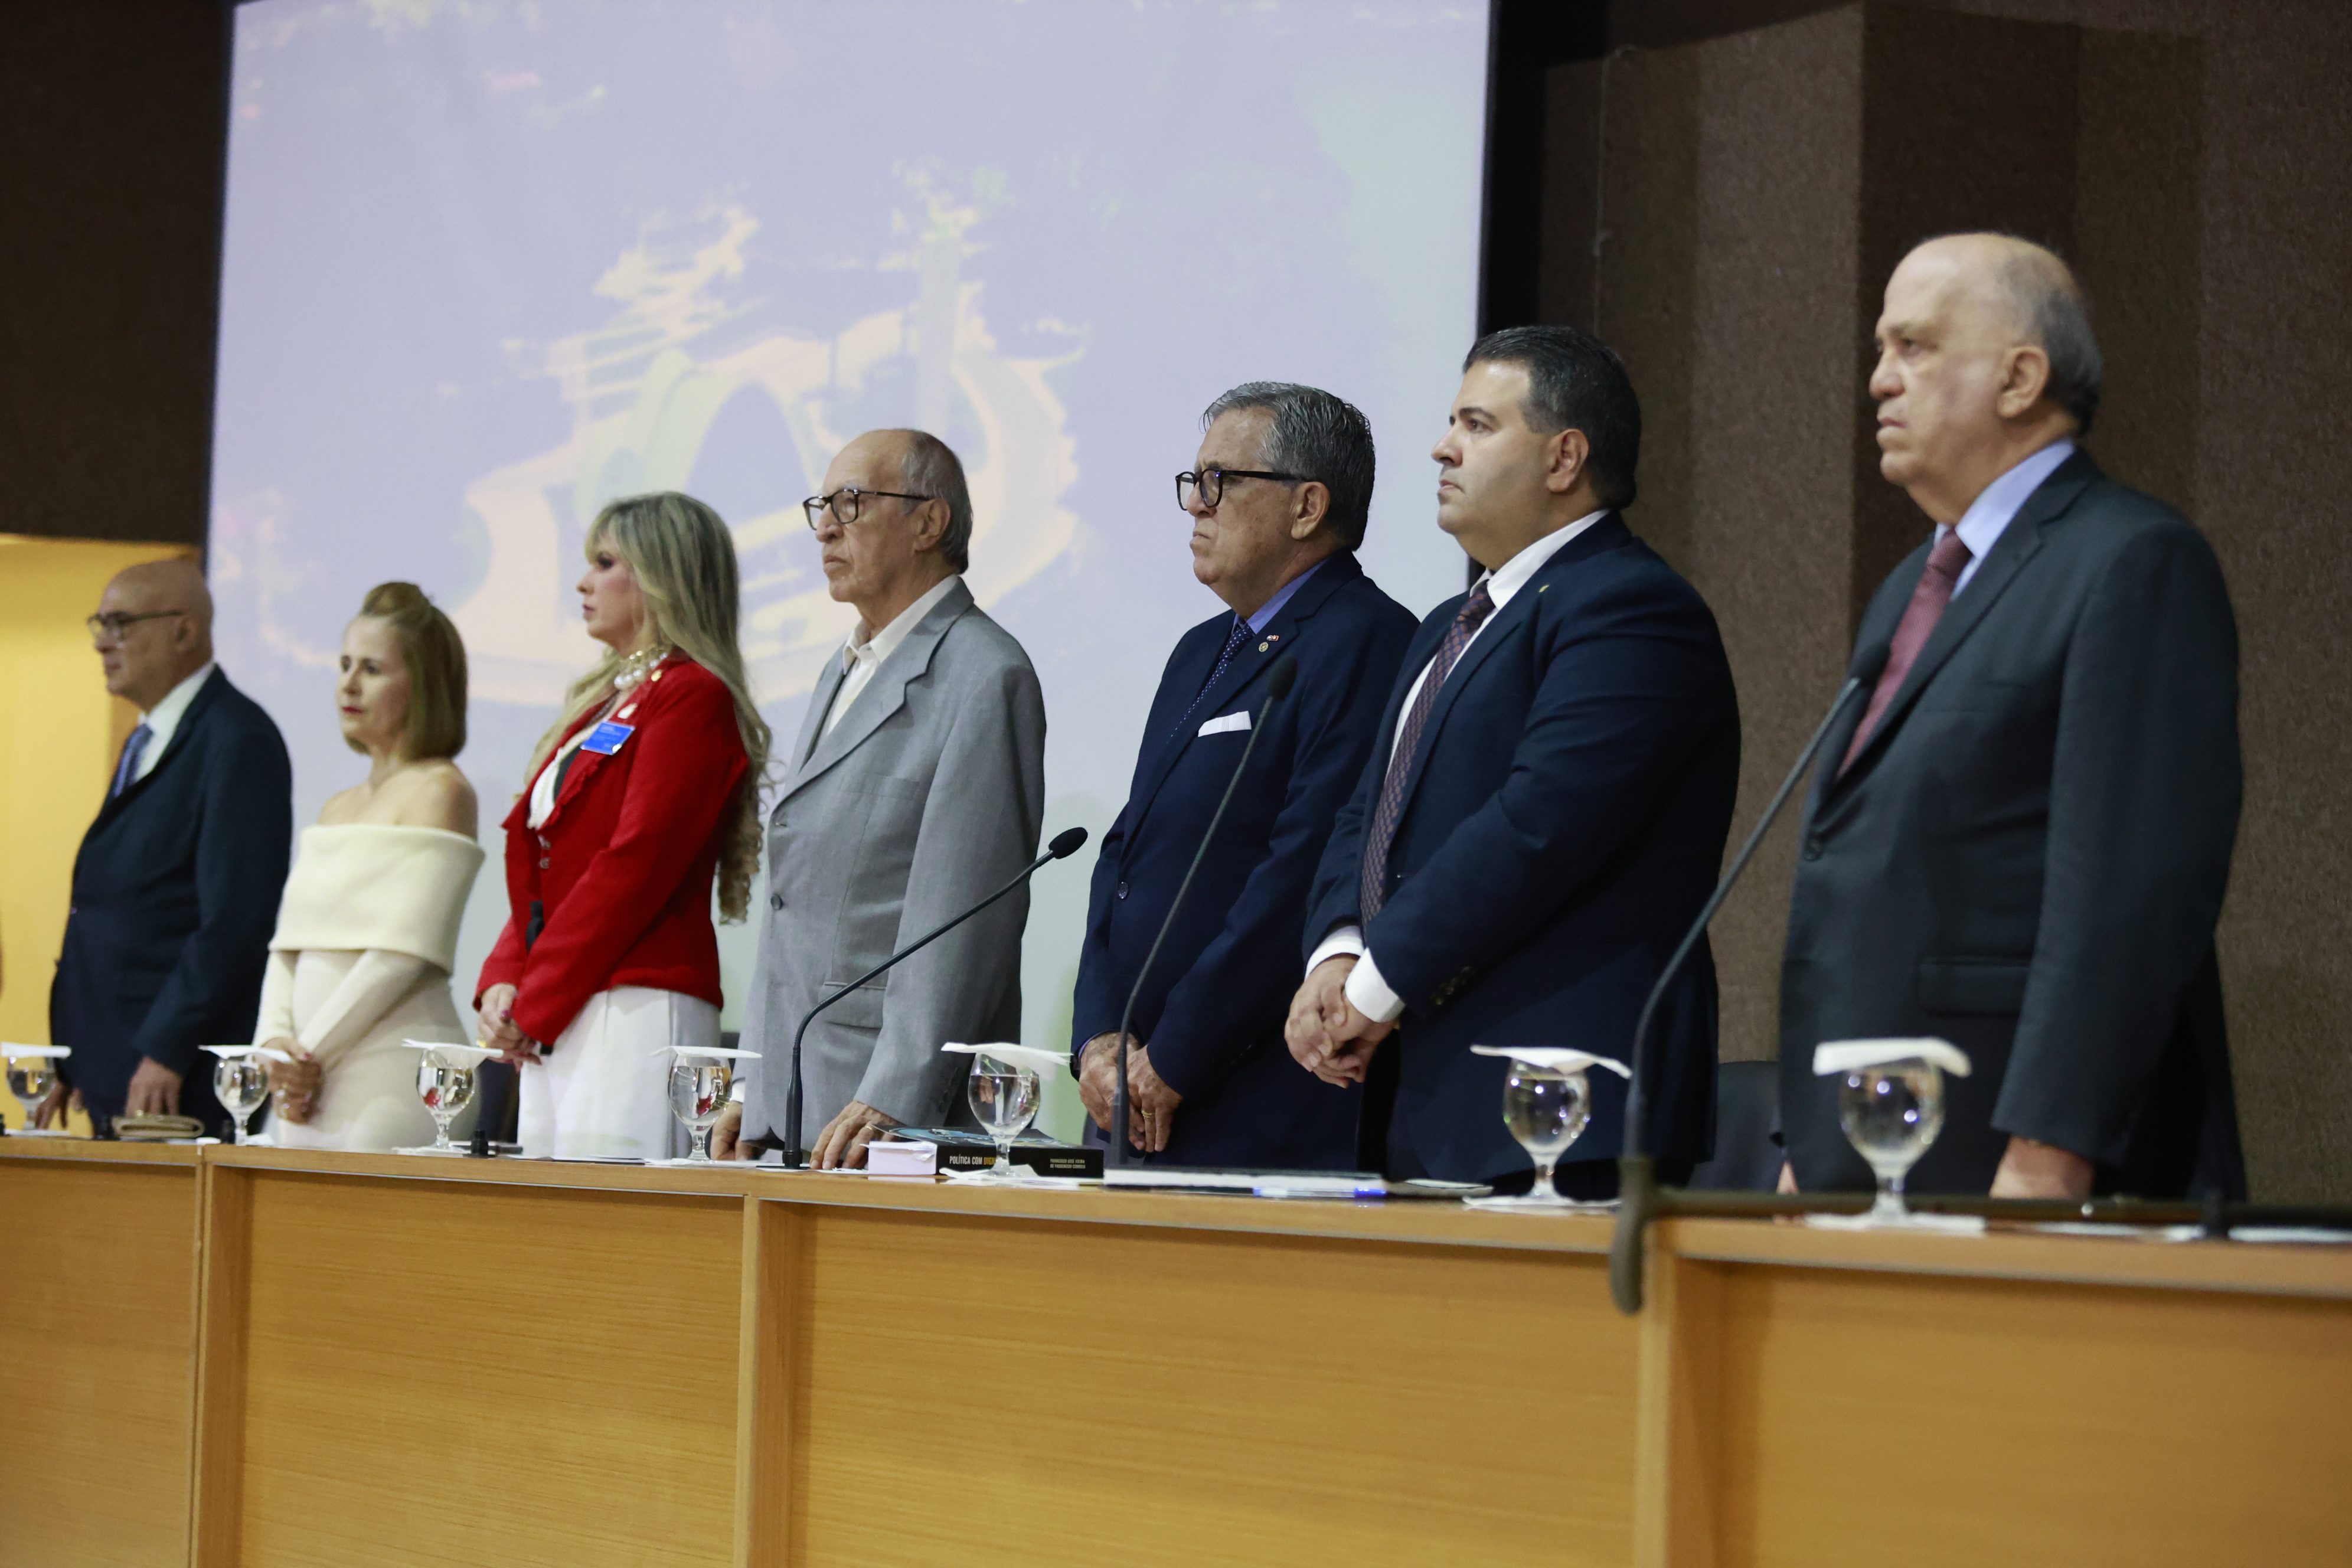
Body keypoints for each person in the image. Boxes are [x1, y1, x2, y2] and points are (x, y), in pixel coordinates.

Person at [1777, 234, 2243, 1201]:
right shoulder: (1915, 579)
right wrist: (1806, 1143)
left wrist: (2047, 1149)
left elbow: (2126, 893)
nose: (1877, 381)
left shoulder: (2130, 562)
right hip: (1864, 1149)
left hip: (2007, 1156)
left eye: (1911, 347)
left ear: (2018, 377)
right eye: (1877, 349)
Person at [1285, 326, 1742, 1195]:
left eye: (1477, 424)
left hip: (1565, 1100)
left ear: (1565, 456)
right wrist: (1337, 952)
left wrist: (1378, 985)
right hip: (1431, 1096)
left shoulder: (1631, 608)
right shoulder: (1445, 626)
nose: (1441, 447)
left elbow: (1542, 825)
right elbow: (1367, 815)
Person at [1070, 383, 1415, 1168]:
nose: (1196, 504)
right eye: (1194, 482)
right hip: (1133, 1099)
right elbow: (1125, 854)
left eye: (1221, 481)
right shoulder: (1201, 649)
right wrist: (1098, 1039)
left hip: (1252, 1105)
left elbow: (1299, 876)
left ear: (1307, 506)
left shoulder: (1366, 640)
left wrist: (1174, 1061)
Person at [715, 429, 1046, 1168]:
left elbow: (965, 916)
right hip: (801, 1094)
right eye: (821, 506)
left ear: (929, 523)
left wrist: (898, 1093)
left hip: (882, 1114)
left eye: (853, 502)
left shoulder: (985, 674)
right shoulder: (845, 666)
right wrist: (754, 1079)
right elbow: (796, 901)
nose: (826, 525)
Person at [475, 492, 768, 1160]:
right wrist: (504, 977)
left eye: (605, 562)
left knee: (609, 1233)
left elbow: (635, 863)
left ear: (663, 576)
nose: (582, 582)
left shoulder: (693, 694)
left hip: (633, 1002)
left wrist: (535, 996)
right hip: (568, 1001)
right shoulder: (605, 702)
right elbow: (550, 868)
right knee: (547, 1224)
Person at [43, 559, 293, 1137]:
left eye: (122, 622)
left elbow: (234, 919)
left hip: (173, 1078)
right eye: (99, 624)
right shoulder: (146, 737)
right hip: (112, 1062)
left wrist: (167, 1049)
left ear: (184, 630)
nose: (103, 642)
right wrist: (70, 1050)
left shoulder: (238, 739)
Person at [257, 583, 484, 1151]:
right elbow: (287, 948)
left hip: (391, 1073)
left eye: (373, 669)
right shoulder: (337, 807)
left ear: (423, 686)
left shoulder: (442, 790)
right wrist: (275, 1045)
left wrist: (306, 1055)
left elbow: (402, 955)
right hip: (302, 1079)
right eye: (344, 665)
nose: (348, 684)